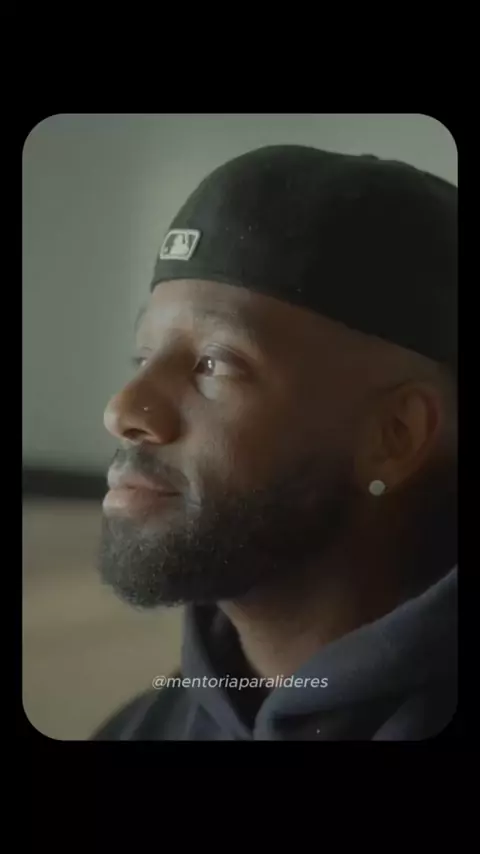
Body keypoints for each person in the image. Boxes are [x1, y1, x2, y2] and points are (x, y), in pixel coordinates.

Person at [93, 145, 457, 741]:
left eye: (214, 363)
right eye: (143, 356)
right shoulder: (136, 730)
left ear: (395, 436)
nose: (123, 410)